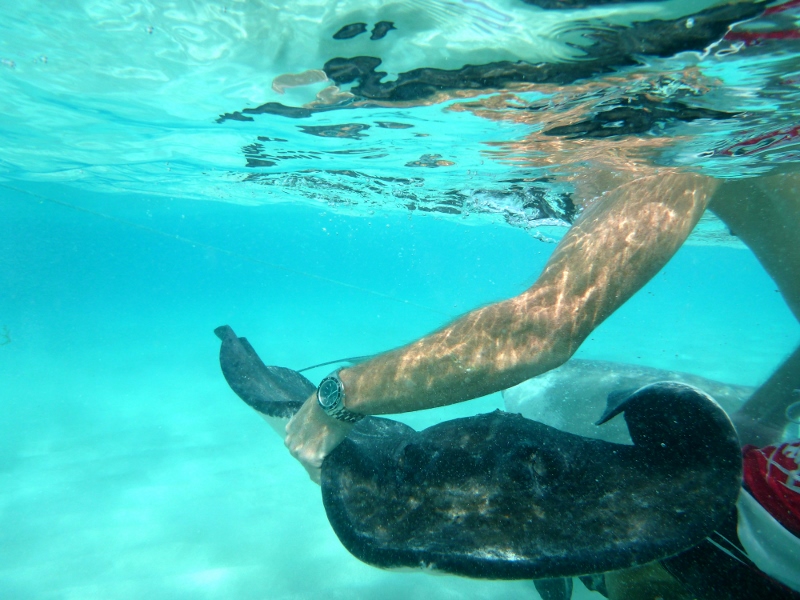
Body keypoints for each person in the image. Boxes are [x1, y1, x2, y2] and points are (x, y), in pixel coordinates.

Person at [284, 167, 800, 481]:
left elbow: (541, 329)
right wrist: (764, 417)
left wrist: (340, 397)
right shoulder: (756, 159)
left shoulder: (668, 147)